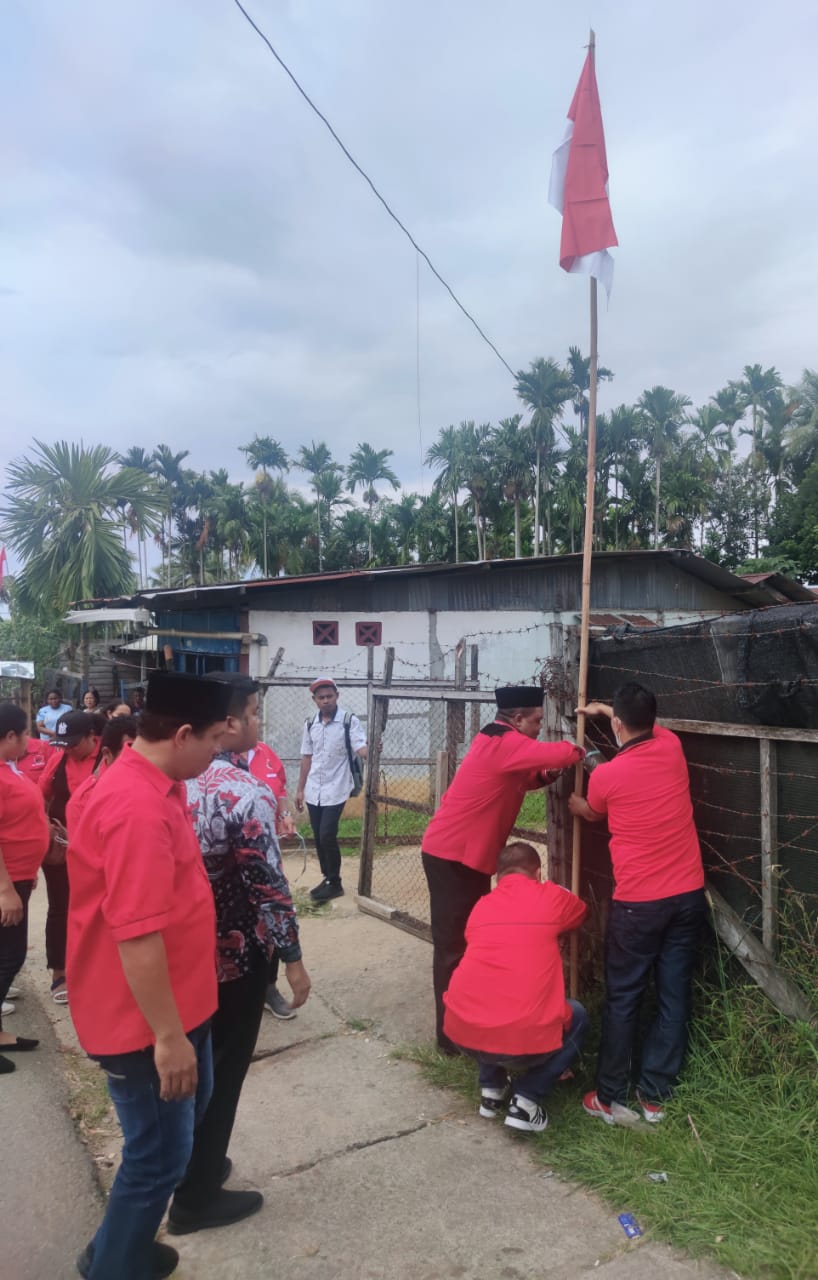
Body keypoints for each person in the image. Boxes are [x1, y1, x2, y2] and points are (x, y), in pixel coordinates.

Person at [66, 671, 232, 1280]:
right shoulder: (134, 805)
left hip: (182, 1003)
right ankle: (113, 1267)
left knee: (179, 1128)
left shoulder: (158, 781)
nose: (218, 751)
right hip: (143, 1020)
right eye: (214, 738)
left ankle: (113, 1248)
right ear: (183, 734)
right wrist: (167, 1037)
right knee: (158, 1157)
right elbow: (136, 935)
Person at [168, 673, 311, 1236]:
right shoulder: (241, 791)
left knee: (200, 1070)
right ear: (228, 722)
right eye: (252, 712)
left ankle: (193, 1166)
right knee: (222, 1076)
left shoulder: (176, 782)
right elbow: (268, 884)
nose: (259, 722)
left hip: (184, 952)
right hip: (237, 958)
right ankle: (196, 1198)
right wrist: (293, 956)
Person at [568, 683, 707, 1125]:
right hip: (687, 897)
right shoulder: (671, 745)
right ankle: (654, 1097)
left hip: (638, 906)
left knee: (624, 997)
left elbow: (594, 810)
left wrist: (577, 802)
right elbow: (634, 728)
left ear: (617, 725)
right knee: (673, 996)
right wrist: (603, 710)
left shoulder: (607, 777)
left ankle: (608, 1097)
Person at [422, 685, 584, 1054]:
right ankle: (449, 1039)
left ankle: (474, 1025)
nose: (540, 728)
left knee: (474, 944)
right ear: (517, 719)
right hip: (451, 857)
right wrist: (579, 750)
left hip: (468, 857)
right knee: (452, 948)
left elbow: (524, 777)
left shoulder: (499, 743)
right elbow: (556, 752)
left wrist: (547, 776)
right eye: (537, 721)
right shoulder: (501, 742)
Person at [443, 842, 588, 1132]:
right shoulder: (549, 896)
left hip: (463, 1032)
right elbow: (579, 911)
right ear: (537, 872)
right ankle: (526, 1101)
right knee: (579, 1015)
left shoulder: (481, 906)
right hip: (521, 1040)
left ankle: (492, 1089)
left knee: (489, 993)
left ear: (498, 877)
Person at [38, 710, 105, 1005]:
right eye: (63, 743)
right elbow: (41, 795)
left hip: (98, 850)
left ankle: (95, 972)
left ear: (93, 737)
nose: (68, 749)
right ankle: (59, 972)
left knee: (98, 911)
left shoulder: (108, 758)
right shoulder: (60, 760)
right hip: (63, 849)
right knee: (60, 908)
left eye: (73, 743)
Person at [0, 702, 52, 1075]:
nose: (30, 740)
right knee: (9, 958)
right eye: (25, 733)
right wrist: (5, 890)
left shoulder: (10, 769)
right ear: (10, 736)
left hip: (21, 876)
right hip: (8, 881)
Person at [295, 677, 367, 902]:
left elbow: (360, 747)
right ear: (314, 700)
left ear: (337, 696)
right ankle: (327, 879)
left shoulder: (348, 721)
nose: (325, 701)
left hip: (337, 787)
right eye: (321, 697)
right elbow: (307, 758)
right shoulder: (310, 724)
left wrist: (371, 750)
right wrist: (300, 789)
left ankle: (335, 882)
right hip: (313, 787)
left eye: (329, 696)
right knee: (318, 835)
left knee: (327, 833)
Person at [247, 737, 300, 1020]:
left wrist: (286, 813)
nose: (254, 720)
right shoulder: (213, 754)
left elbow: (279, 787)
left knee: (272, 919)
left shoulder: (264, 752)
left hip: (267, 856)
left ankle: (269, 988)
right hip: (232, 865)